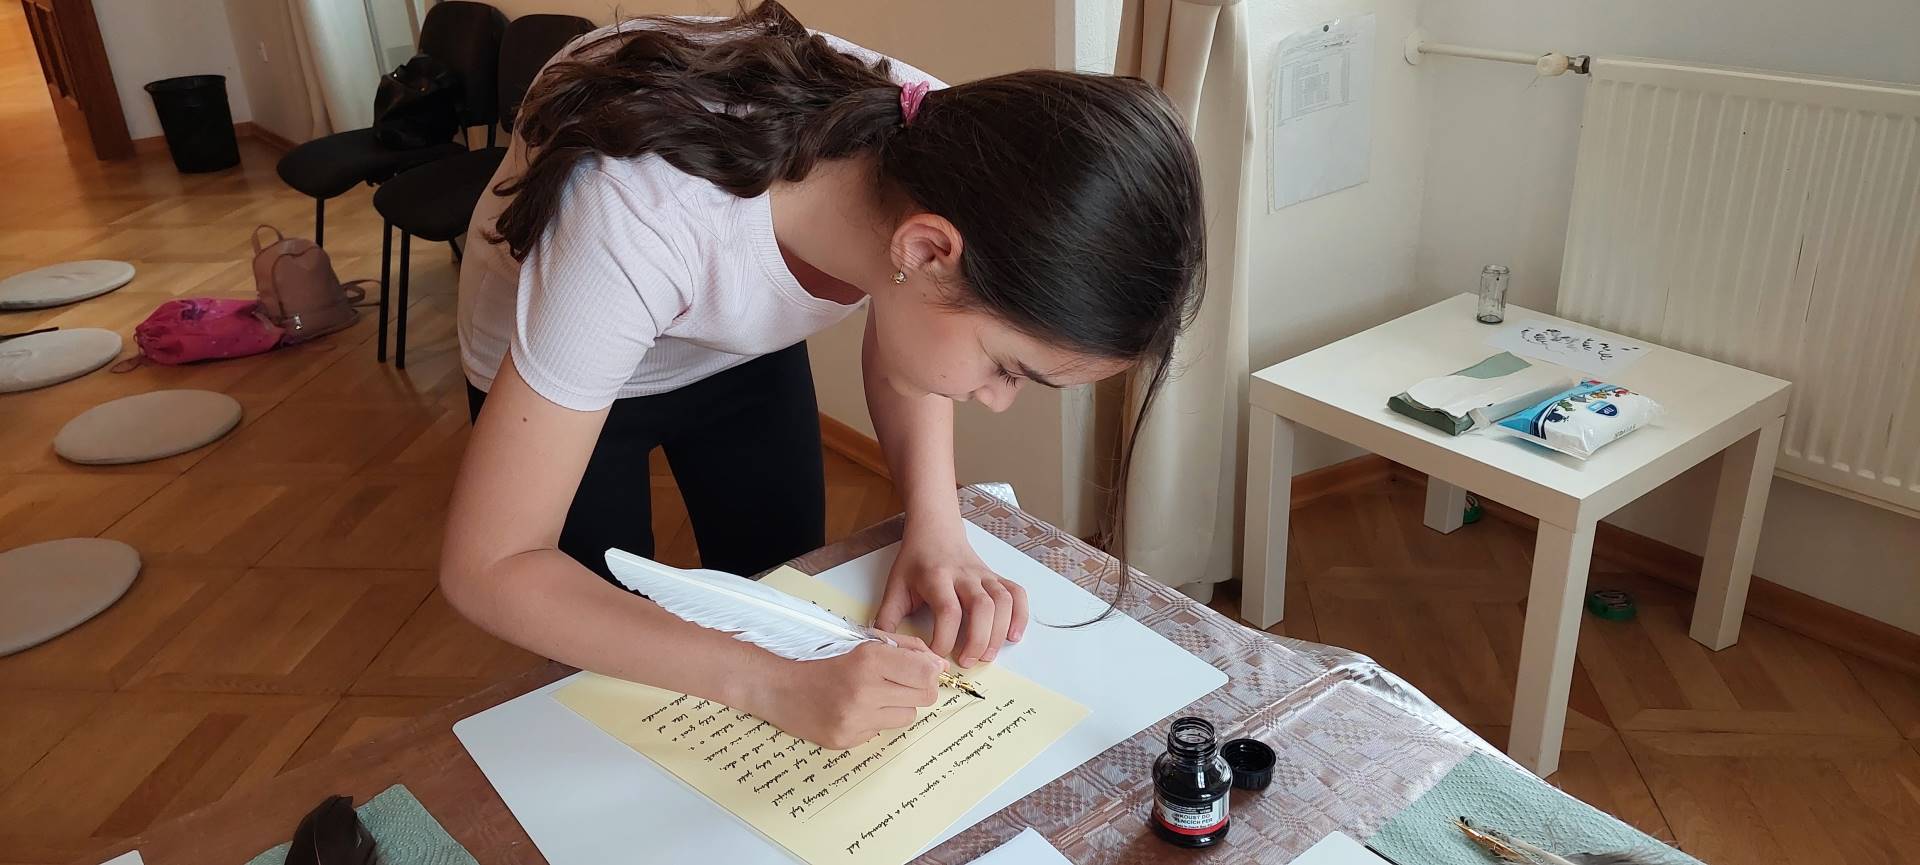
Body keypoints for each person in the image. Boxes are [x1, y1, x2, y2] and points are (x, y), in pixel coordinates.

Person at [441, 1, 1203, 750]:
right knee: (607, 667)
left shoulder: (950, 157)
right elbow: (493, 564)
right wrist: (767, 683)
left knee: (782, 572)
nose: (998, 400)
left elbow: (911, 330)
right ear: (926, 249)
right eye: (1008, 368)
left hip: (736, 339)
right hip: (560, 345)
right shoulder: (637, 211)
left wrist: (936, 523)